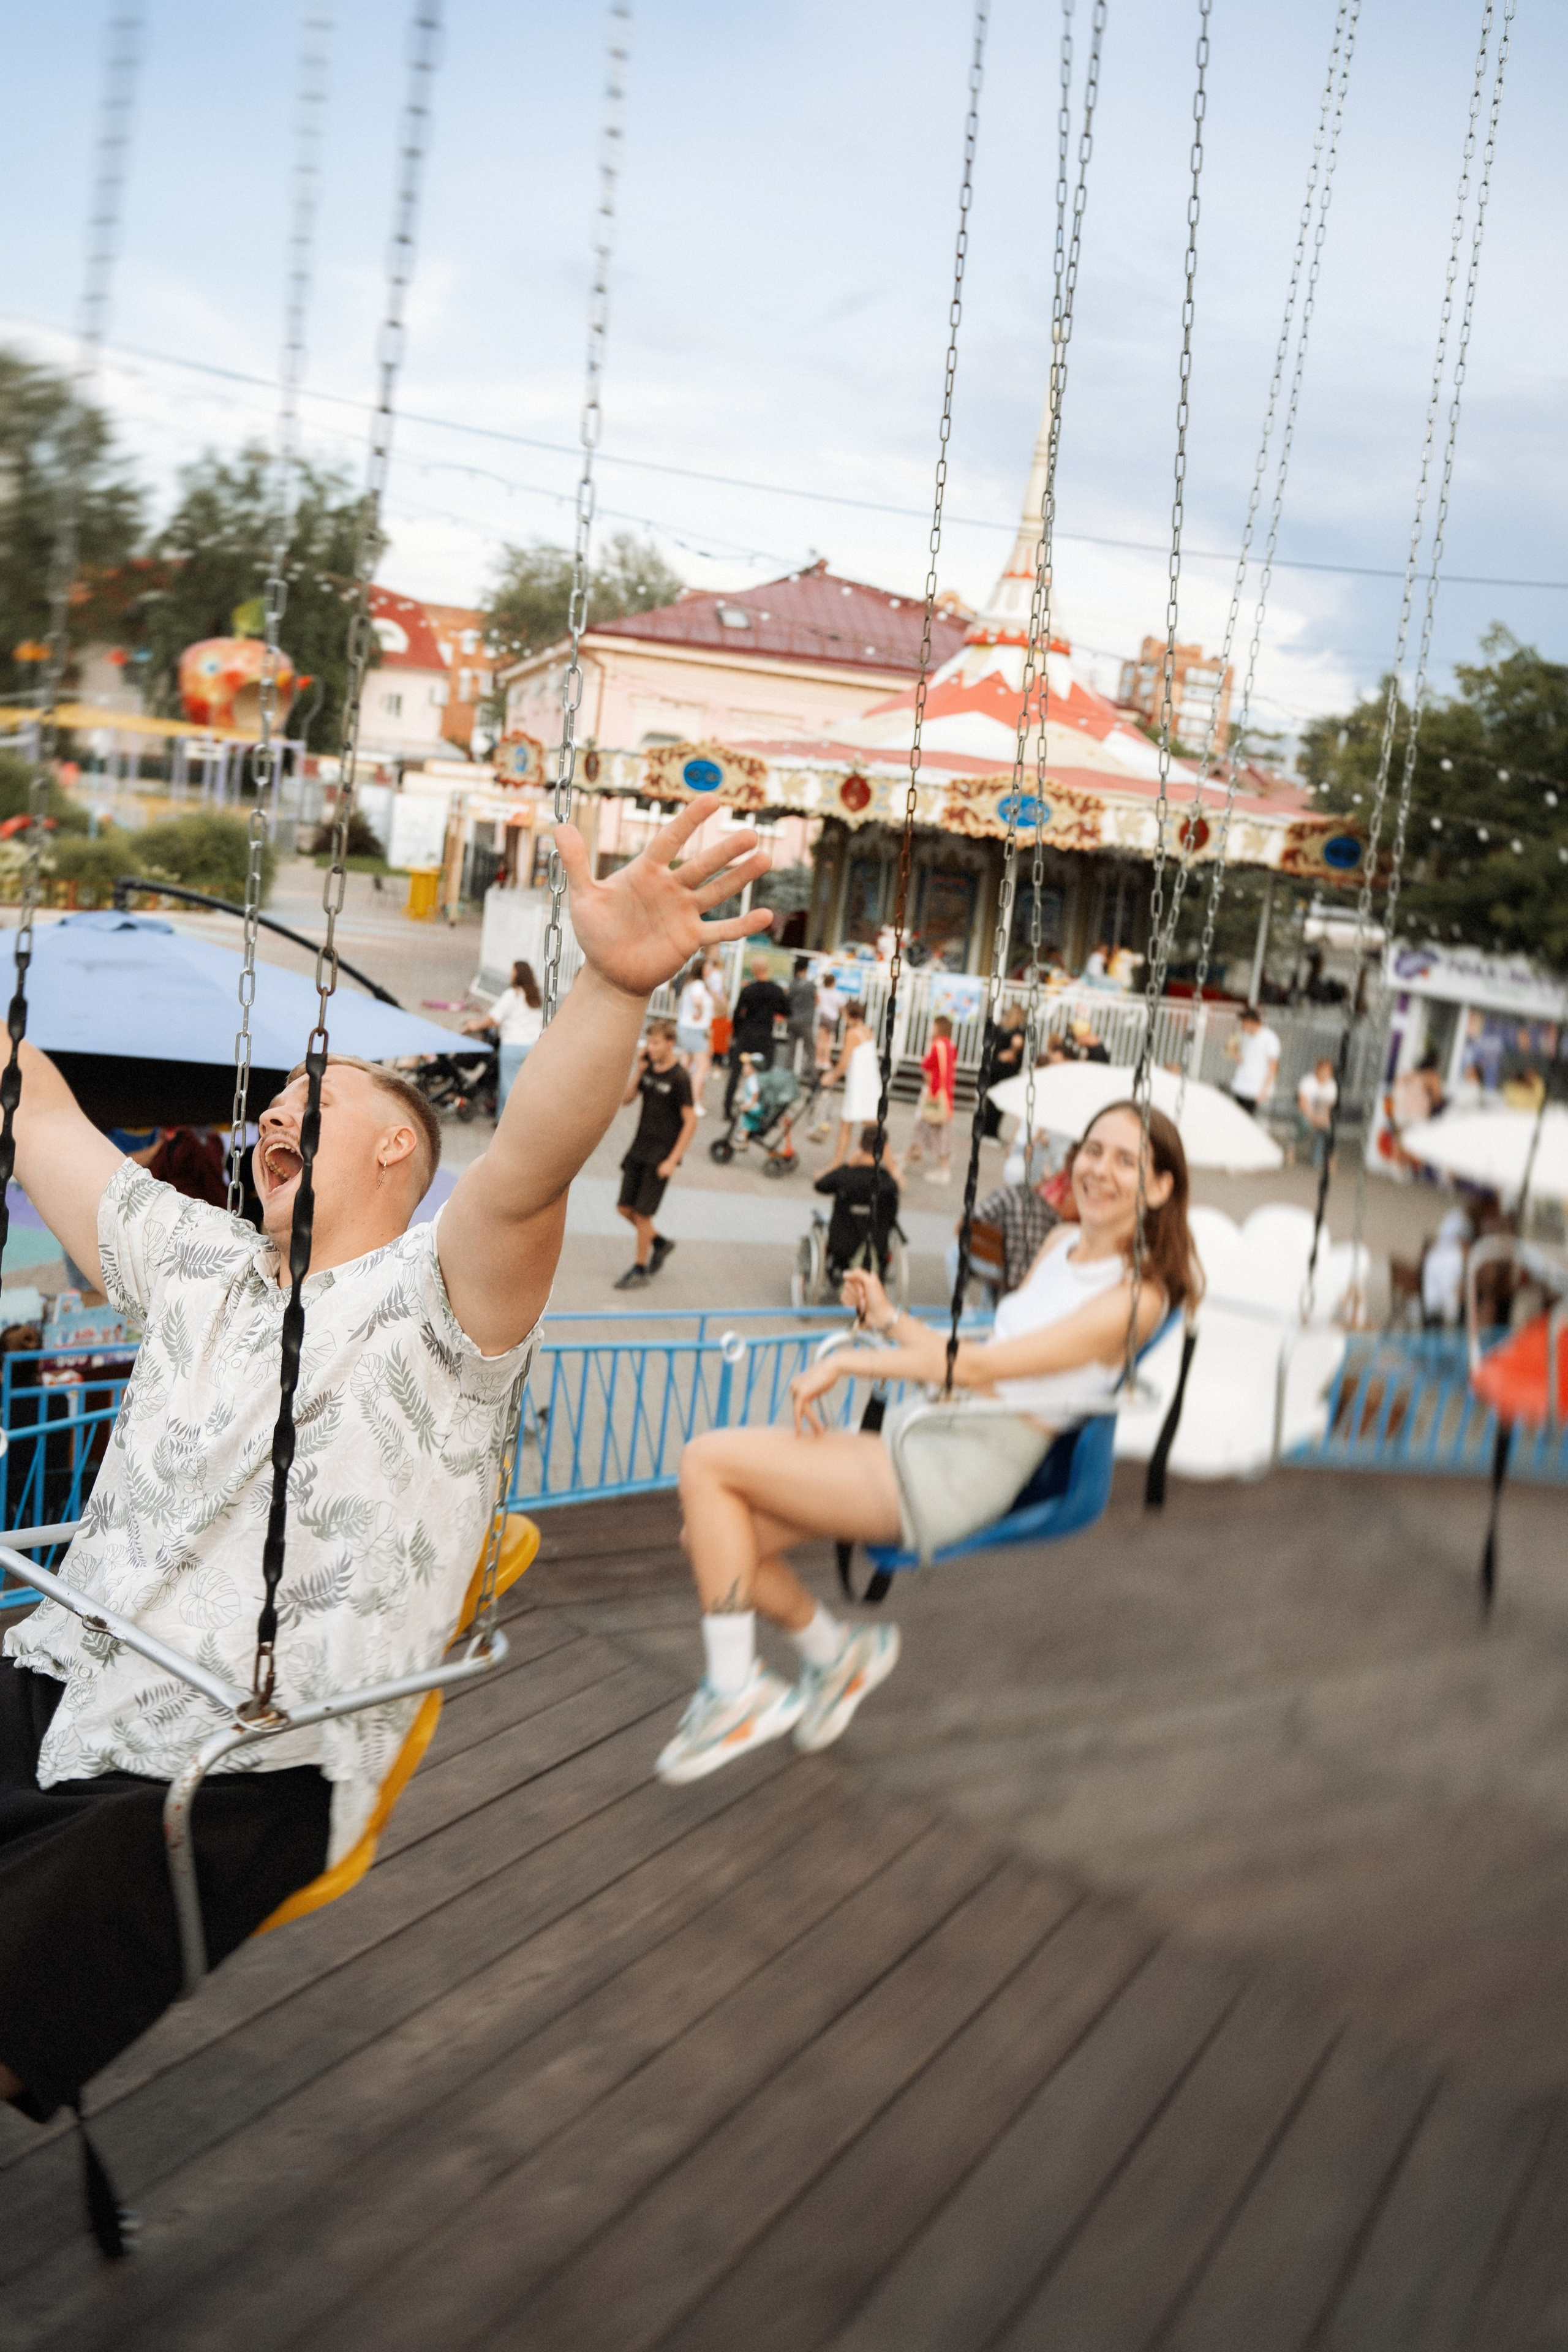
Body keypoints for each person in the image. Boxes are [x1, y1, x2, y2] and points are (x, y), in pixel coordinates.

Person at [0, 796, 772, 2129]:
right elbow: (40, 1116)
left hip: (240, 1762)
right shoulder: (196, 1264)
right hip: (63, 1680)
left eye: (316, 1097)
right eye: (271, 1109)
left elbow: (529, 1170)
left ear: (397, 1146)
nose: (270, 1121)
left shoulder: (441, 1300)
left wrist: (606, 987)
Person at [657, 1102, 1199, 1782]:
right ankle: (836, 1656)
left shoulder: (1135, 1297)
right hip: (943, 1424)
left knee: (706, 1461)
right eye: (1093, 1150)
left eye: (1127, 1161)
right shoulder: (1062, 1246)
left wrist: (852, 1361)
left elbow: (978, 1371)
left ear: (1158, 1189)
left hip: (969, 1463)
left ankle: (735, 1694)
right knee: (712, 1541)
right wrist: (890, 1320)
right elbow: (984, 1349)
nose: (1100, 1169)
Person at [614, 1018, 698, 1291]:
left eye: (656, 1043)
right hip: (639, 1148)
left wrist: (673, 1160)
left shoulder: (680, 1078)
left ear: (670, 1043)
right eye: (649, 1042)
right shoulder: (648, 1068)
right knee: (624, 1208)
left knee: (642, 1215)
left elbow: (691, 1121)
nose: (650, 1047)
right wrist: (638, 1070)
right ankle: (660, 1243)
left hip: (660, 1156)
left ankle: (639, 1268)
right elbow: (626, 1100)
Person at [812, 1123, 901, 1285]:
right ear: (884, 1149)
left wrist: (847, 1165)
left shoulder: (845, 1176)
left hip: (842, 1244)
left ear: (860, 1143)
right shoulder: (889, 1183)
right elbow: (892, 1215)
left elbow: (820, 1185)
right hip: (877, 1243)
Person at [464, 959, 543, 1115]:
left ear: (517, 975)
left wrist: (476, 1026)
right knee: (524, 1086)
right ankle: (526, 1118)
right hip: (532, 1046)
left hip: (513, 1046)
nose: (509, 974)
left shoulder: (513, 994)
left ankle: (507, 1122)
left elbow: (494, 1018)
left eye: (511, 972)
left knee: (508, 1087)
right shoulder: (534, 996)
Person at [724, 954, 790, 1117]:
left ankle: (727, 1108)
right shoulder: (776, 990)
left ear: (754, 970)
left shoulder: (748, 990)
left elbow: (738, 1014)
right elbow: (786, 1011)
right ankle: (763, 1110)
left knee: (736, 1072)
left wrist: (737, 1033)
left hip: (747, 1033)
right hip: (765, 1034)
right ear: (767, 969)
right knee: (765, 1072)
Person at [821, 1005, 881, 1170]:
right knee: (873, 1127)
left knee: (847, 1125)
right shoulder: (867, 1030)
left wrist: (830, 1077)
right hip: (871, 1082)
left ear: (849, 1015)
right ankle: (880, 1165)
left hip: (859, 1085)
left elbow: (843, 1063)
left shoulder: (851, 1034)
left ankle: (835, 1166)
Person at [905, 1014, 957, 1183]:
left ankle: (944, 1170)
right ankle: (911, 1154)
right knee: (924, 1127)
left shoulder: (938, 1046)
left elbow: (927, 1065)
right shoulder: (950, 1046)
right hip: (946, 1094)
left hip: (935, 1094)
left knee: (938, 1133)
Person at [979, 1003, 1027, 1137]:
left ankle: (986, 1129)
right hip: (1007, 1070)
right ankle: (991, 1131)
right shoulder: (1018, 1031)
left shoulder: (1000, 1028)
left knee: (991, 1100)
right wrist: (1012, 1051)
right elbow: (1016, 1047)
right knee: (999, 1102)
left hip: (995, 1067)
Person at [675, 958, 715, 1112]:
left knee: (686, 1064)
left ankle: (677, 1097)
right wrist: (701, 1012)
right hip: (694, 1029)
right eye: (708, 966)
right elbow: (697, 1001)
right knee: (702, 1066)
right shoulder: (698, 985)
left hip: (688, 1028)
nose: (710, 970)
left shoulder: (691, 983)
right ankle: (692, 1102)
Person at [1228, 1004, 1280, 1117]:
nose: (1242, 1026)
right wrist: (1234, 1050)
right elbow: (1243, 1061)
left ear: (1250, 1021)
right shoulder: (1247, 1037)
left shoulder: (1269, 1038)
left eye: (1243, 1022)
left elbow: (1274, 1067)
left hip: (1255, 1091)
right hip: (1242, 1087)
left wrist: (1264, 1091)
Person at [1296, 1055, 1338, 1172]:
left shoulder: (1332, 1085)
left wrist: (1325, 1119)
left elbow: (1329, 1107)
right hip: (1306, 1114)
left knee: (1329, 1129)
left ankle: (1323, 1156)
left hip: (1321, 1115)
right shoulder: (1308, 1081)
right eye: (1325, 1070)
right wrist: (1313, 1118)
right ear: (1318, 1069)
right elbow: (1302, 1104)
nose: (1328, 1073)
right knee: (1306, 1125)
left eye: (1330, 1071)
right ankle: (1292, 1144)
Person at [786, 956, 817, 1079]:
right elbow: (817, 1000)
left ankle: (787, 1077)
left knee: (791, 1052)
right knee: (810, 1051)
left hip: (792, 1020)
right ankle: (813, 1078)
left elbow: (787, 999)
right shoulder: (811, 985)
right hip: (806, 1021)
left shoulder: (792, 983)